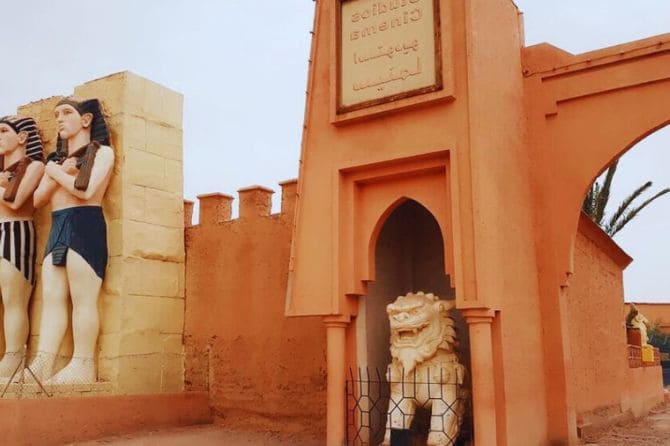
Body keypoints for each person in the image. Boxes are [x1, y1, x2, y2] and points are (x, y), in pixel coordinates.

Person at [31, 98, 114, 384]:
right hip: (58, 226)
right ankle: (43, 362)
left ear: (87, 119)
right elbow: (38, 199)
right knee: (52, 299)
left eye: (67, 113)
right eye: (56, 114)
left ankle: (83, 364)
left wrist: (53, 173)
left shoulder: (101, 153)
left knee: (83, 300)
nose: (60, 119)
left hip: (85, 225)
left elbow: (86, 191)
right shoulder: (57, 160)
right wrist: (58, 171)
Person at [0, 116, 44, 379]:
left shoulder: (34, 165)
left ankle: (14, 357)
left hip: (16, 232)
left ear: (23, 137)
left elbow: (15, 201)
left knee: (13, 300)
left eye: (4, 131)